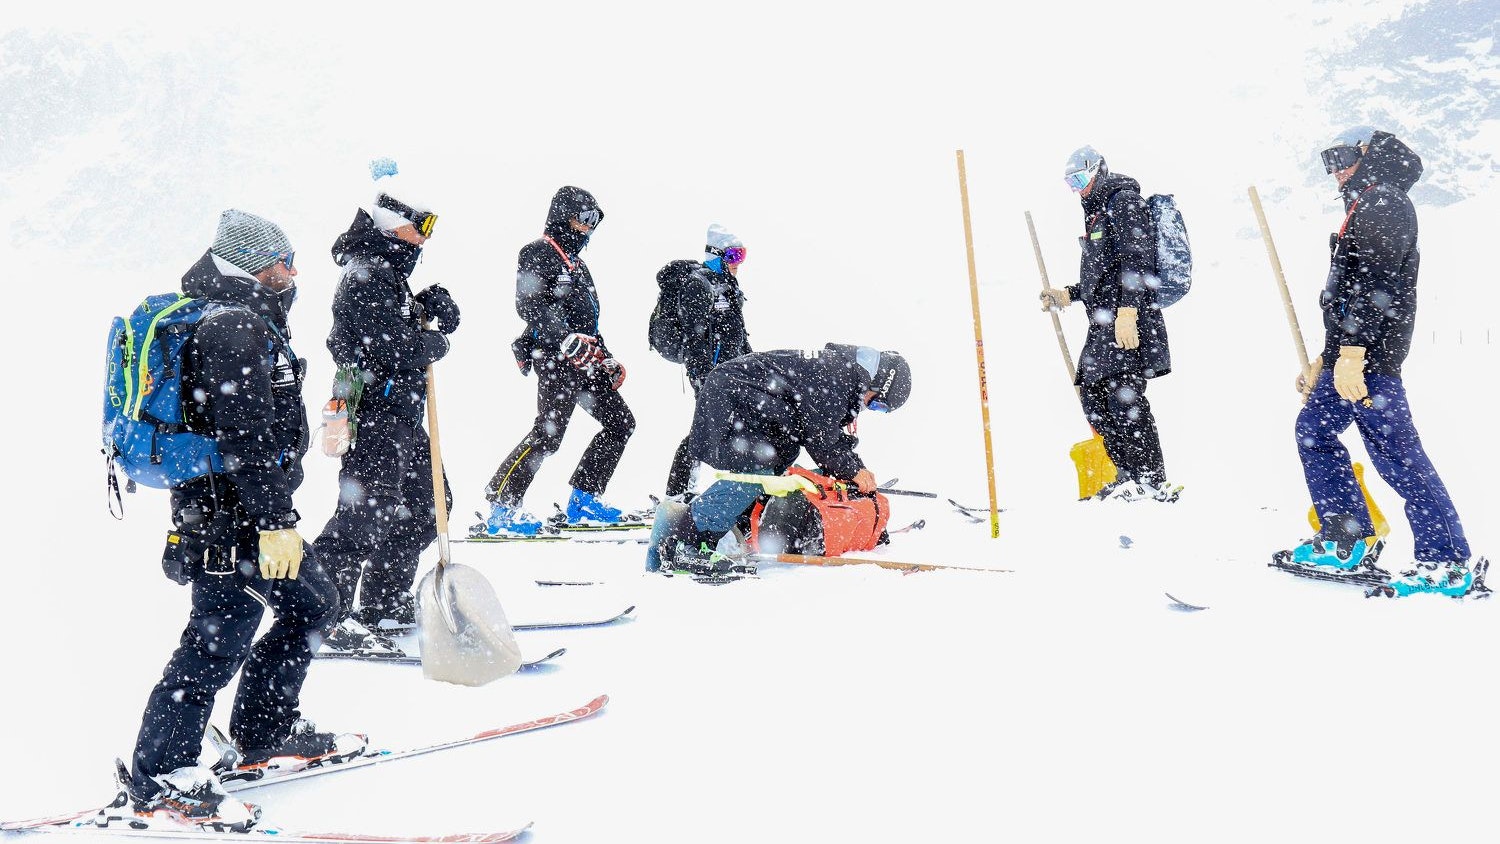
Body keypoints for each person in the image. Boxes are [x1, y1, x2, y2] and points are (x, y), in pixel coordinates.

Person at [128, 210, 361, 829]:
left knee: (309, 604)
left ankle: (263, 730)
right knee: (220, 630)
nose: (293, 273)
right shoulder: (231, 326)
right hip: (227, 512)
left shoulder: (243, 315)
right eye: (284, 262)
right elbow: (247, 436)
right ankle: (159, 775)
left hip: (237, 508)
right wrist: (276, 519)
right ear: (251, 263)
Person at [1275, 126, 1480, 598]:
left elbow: (1374, 284)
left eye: (1343, 157)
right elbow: (1347, 295)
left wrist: (1351, 355)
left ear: (1370, 154)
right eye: (1328, 162)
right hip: (1350, 357)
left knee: (1399, 458)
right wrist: (1324, 358)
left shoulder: (1384, 202)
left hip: (1370, 362)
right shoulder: (1364, 204)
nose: (1336, 170)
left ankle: (1446, 564)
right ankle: (1344, 539)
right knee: (1315, 432)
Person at [312, 167, 458, 640]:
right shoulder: (367, 273)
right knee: (363, 516)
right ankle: (323, 617)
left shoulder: (386, 270)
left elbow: (394, 334)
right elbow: (388, 348)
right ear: (394, 222)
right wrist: (430, 344)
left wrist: (429, 304)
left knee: (428, 505)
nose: (426, 236)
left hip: (399, 416)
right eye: (424, 223)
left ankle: (383, 604)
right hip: (375, 415)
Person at [647, 343, 912, 574]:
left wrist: (854, 467)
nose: (869, 408)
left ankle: (732, 527)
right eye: (876, 403)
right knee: (754, 471)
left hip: (746, 402)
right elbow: (822, 440)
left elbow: (825, 435)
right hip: (732, 396)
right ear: (877, 383)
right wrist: (855, 471)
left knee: (778, 461)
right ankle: (687, 542)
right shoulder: (838, 375)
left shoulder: (840, 374)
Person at [481, 186, 635, 536]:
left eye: (595, 221)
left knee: (621, 423)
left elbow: (589, 322)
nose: (589, 228)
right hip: (555, 359)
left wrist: (606, 358)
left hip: (586, 362)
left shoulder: (579, 266)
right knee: (548, 436)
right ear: (564, 215)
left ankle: (584, 500)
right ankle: (502, 506)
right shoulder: (538, 253)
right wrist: (565, 338)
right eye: (585, 219)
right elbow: (529, 304)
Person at [1040, 145, 1177, 503]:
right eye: (1071, 183)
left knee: (1123, 396)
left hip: (1130, 321)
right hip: (1105, 323)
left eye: (1081, 178)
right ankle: (1129, 474)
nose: (1078, 189)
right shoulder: (1098, 213)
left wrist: (1129, 312)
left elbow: (1138, 260)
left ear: (1099, 170)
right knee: (1093, 395)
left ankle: (1150, 478)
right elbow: (1102, 275)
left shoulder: (1125, 201)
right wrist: (1068, 294)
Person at [661, 223, 753, 502]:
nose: (738, 263)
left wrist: (753, 362)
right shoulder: (698, 284)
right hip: (711, 373)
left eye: (742, 256)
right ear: (717, 254)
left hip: (734, 371)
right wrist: (702, 375)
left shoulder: (728, 285)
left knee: (734, 426)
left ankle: (740, 490)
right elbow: (695, 335)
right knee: (704, 430)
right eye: (734, 256)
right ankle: (677, 493)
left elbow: (738, 329)